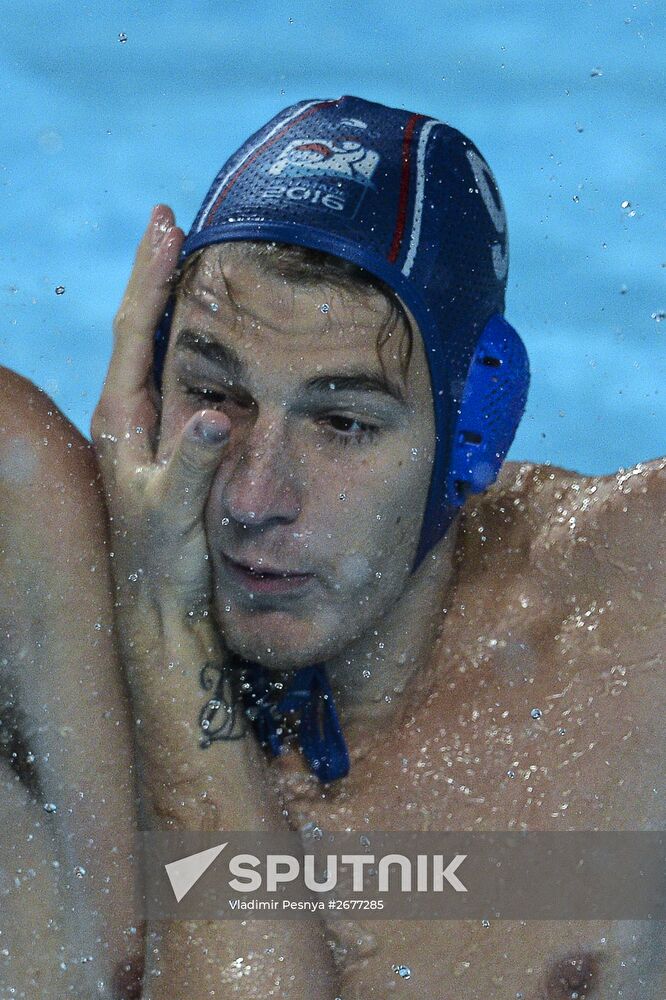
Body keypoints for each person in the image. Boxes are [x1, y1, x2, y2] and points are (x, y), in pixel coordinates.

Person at [2, 95, 664, 998]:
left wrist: (164, 616)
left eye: (344, 423)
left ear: (476, 428)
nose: (251, 497)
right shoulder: (44, 600)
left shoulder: (627, 624)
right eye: (214, 393)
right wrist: (163, 615)